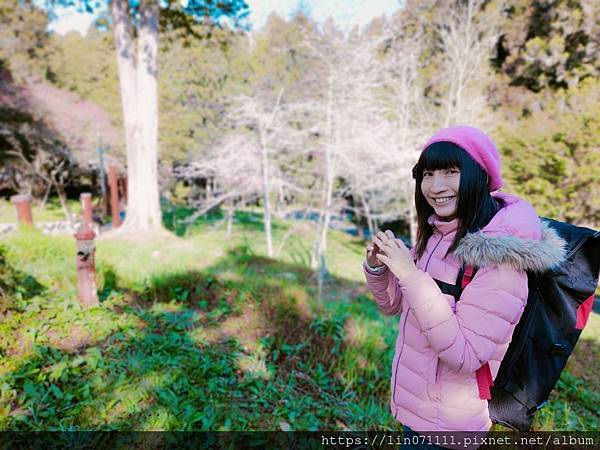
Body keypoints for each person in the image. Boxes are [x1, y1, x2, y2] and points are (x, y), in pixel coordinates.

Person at [363, 125, 563, 448]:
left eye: (451, 172)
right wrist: (379, 268)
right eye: (428, 174)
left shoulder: (502, 258)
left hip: (450, 429)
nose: (435, 186)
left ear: (478, 176)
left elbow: (467, 352)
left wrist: (411, 276)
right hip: (417, 412)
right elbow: (395, 305)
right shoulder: (438, 233)